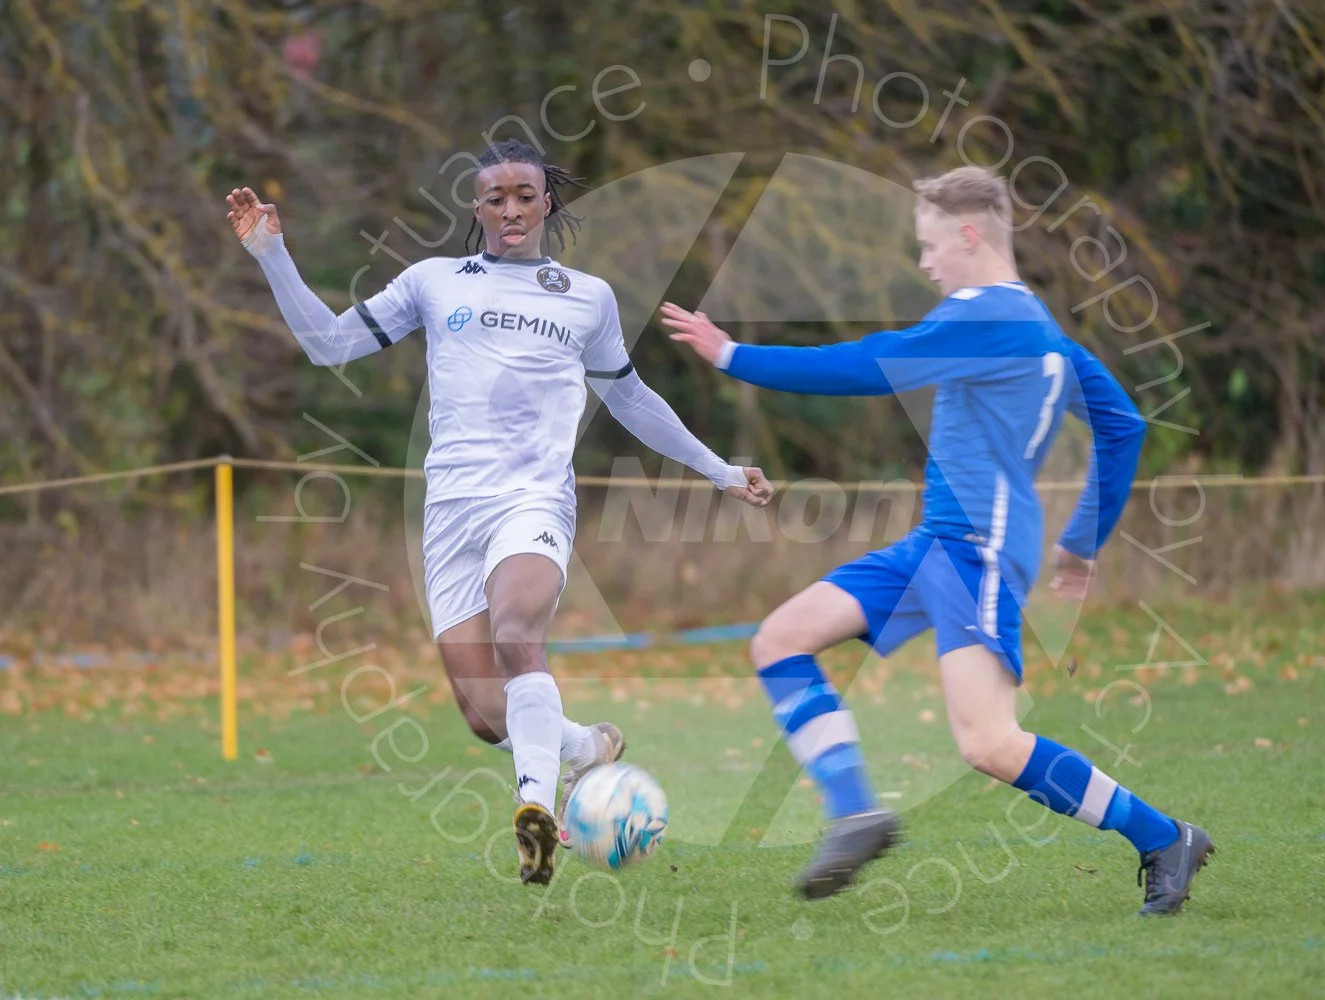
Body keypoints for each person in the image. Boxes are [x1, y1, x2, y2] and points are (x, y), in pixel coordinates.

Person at [661, 165, 1213, 915]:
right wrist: (1082, 541)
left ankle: (1164, 836)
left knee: (988, 742)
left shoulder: (986, 319)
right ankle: (856, 812)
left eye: (928, 246)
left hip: (977, 550)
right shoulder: (1039, 328)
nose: (924, 264)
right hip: (939, 544)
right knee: (780, 640)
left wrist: (734, 356)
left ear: (968, 234)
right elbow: (1123, 424)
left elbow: (866, 365)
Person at [227, 138, 773, 886]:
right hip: (451, 509)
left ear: (547, 202)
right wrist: (270, 255)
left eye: (525, 194)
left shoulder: (587, 297)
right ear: (476, 207)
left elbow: (632, 398)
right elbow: (328, 346)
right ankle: (583, 747)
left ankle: (535, 814)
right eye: (496, 197)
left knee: (519, 633)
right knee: (487, 718)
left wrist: (718, 469)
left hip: (534, 498)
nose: (511, 208)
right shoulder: (433, 281)